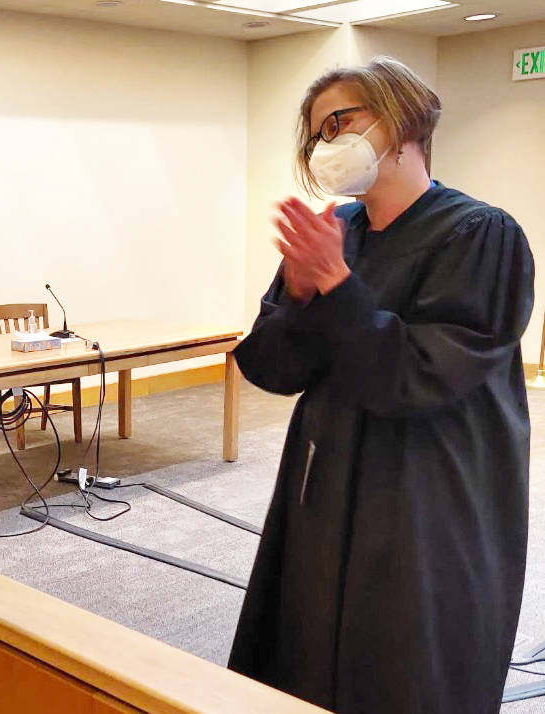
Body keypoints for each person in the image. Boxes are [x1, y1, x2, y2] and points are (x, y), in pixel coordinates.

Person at [228, 56, 534, 713]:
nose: (327, 143)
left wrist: (337, 287)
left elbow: (418, 376)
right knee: (307, 651)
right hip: (326, 482)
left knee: (401, 662)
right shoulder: (336, 232)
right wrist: (300, 295)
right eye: (317, 133)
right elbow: (270, 368)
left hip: (424, 494)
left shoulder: (481, 235)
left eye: (340, 121)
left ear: (402, 119)